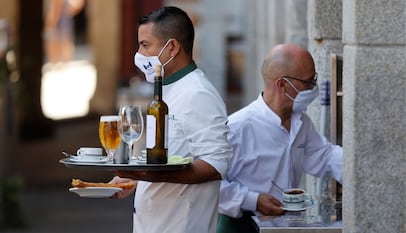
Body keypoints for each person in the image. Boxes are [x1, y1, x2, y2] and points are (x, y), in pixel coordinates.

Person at [109, 6, 233, 233]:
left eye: (145, 45)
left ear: (173, 47)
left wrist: (151, 175)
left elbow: (216, 165)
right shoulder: (166, 89)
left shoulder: (198, 93)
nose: (139, 54)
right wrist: (137, 180)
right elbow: (175, 156)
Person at [217, 43, 343, 233]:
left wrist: (361, 168)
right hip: (242, 226)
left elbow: (324, 156)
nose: (313, 88)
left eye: (314, 79)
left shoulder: (301, 122)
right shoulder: (237, 127)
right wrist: (253, 200)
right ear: (282, 84)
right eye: (308, 82)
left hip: (283, 226)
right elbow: (210, 185)